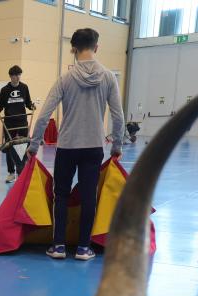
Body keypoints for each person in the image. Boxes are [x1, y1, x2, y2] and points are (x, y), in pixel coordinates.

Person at [28, 28, 124, 261]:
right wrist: (116, 145)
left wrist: (33, 145)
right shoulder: (109, 77)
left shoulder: (65, 79)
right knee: (89, 195)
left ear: (73, 49)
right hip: (93, 146)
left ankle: (58, 245)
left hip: (67, 146)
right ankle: (83, 247)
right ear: (97, 47)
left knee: (60, 194)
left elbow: (43, 115)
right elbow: (118, 115)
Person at [0, 65, 35, 183]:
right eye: (15, 75)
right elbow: (0, 105)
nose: (18, 77)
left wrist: (32, 106)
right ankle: (11, 173)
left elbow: (28, 102)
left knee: (24, 146)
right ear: (11, 76)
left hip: (22, 121)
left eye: (19, 75)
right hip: (9, 123)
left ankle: (22, 171)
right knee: (9, 147)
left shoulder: (24, 87)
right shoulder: (5, 90)